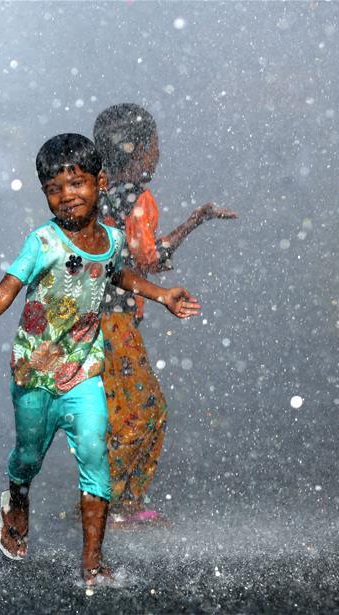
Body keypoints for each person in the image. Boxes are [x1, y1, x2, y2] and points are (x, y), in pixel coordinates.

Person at [0, 133, 201, 585]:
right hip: (35, 374)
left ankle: (92, 564)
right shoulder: (43, 242)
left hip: (84, 371)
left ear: (100, 182)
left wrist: (160, 294)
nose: (67, 196)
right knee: (29, 456)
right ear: (45, 193)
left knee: (93, 454)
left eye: (78, 184)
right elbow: (4, 293)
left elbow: (115, 271)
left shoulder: (108, 237)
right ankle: (17, 495)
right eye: (54, 189)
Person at [93, 103, 238, 527]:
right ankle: (114, 505)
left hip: (91, 317)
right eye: (154, 145)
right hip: (114, 320)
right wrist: (196, 221)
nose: (158, 154)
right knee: (142, 410)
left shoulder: (99, 194)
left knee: (119, 409)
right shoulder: (138, 199)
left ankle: (115, 503)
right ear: (138, 152)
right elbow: (150, 258)